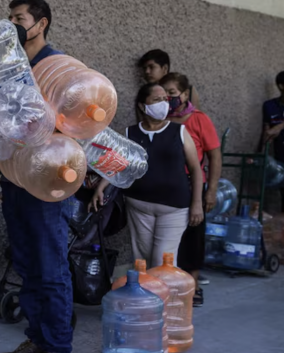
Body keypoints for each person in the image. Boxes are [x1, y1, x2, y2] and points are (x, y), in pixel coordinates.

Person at [0, 0, 75, 353]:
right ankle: (37, 337)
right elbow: (6, 125)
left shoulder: (59, 69)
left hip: (48, 183)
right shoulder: (11, 68)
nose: (12, 24)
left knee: (50, 266)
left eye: (19, 18)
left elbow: (78, 125)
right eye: (9, 17)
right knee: (25, 263)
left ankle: (56, 345)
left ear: (41, 24)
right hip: (15, 178)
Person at [91, 83, 204, 270]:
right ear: (143, 106)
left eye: (165, 100)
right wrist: (100, 188)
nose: (163, 103)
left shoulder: (179, 131)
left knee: (163, 261)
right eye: (157, 99)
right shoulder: (130, 133)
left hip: (174, 209)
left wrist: (197, 203)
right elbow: (118, 164)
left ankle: (163, 298)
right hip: (138, 206)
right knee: (142, 260)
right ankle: (146, 298)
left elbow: (196, 169)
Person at [160, 72, 221, 306]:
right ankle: (169, 285)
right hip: (165, 186)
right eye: (164, 95)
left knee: (192, 237)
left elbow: (215, 156)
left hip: (192, 185)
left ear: (185, 95)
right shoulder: (161, 120)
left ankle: (192, 287)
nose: (168, 99)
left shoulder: (198, 119)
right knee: (169, 238)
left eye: (172, 94)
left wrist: (211, 191)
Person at [261, 71, 284, 211]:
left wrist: (280, 126)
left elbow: (277, 128)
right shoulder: (269, 105)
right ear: (282, 86)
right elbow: (267, 128)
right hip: (280, 158)